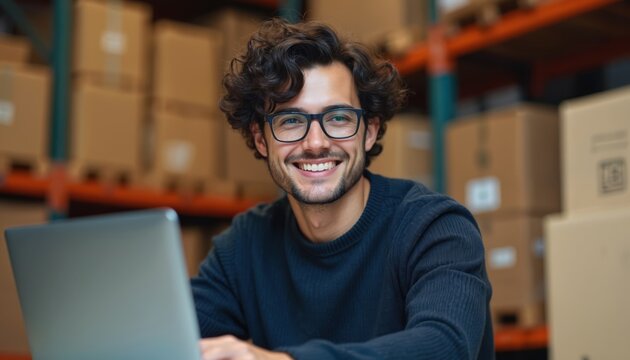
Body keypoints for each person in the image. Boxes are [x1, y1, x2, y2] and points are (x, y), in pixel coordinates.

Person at [191, 18, 494, 360]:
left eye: (337, 118)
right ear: (261, 140)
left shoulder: (435, 228)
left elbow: (444, 346)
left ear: (368, 131)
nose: (316, 143)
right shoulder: (245, 246)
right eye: (291, 121)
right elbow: (171, 338)